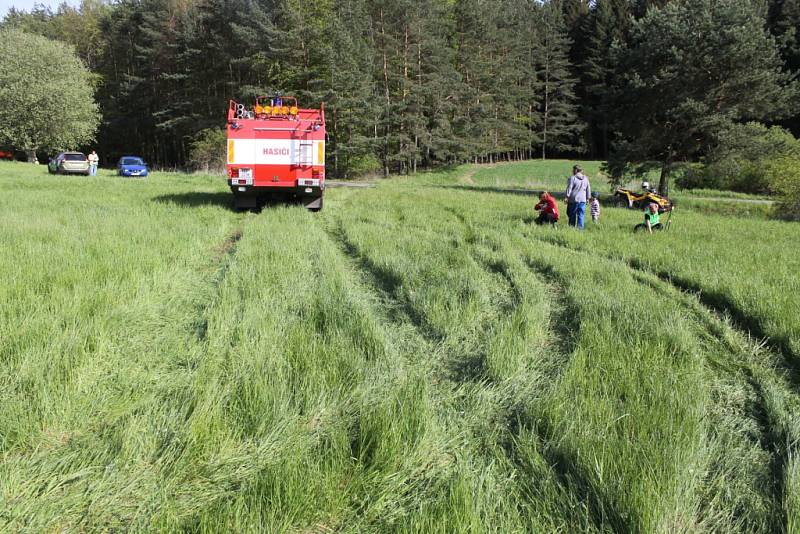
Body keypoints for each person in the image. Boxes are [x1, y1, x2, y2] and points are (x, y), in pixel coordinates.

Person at [565, 165, 591, 229]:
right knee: (581, 215)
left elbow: (569, 188)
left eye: (573, 170)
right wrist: (588, 198)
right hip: (583, 200)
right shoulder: (586, 178)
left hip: (574, 200)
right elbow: (588, 189)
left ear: (576, 170)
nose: (572, 171)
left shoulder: (573, 178)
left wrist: (566, 197)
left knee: (572, 215)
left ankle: (571, 228)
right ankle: (580, 229)